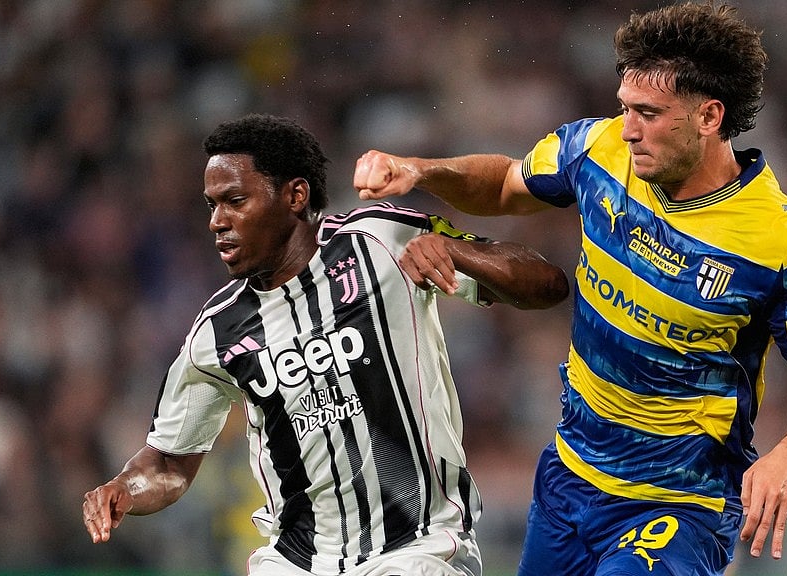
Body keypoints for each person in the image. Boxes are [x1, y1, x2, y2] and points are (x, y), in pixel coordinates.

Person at [352, 2, 787, 575]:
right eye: (624, 108)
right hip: (570, 476)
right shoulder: (599, 150)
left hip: (680, 504)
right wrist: (422, 170)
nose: (629, 128)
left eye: (648, 112)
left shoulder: (778, 242)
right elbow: (505, 185)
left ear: (710, 117)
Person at [82, 113, 569, 576]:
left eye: (235, 201)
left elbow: (546, 285)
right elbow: (169, 460)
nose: (217, 220)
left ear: (295, 196)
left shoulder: (380, 242)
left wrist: (459, 252)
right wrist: (125, 487)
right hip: (295, 561)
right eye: (212, 205)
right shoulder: (218, 331)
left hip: (417, 549)